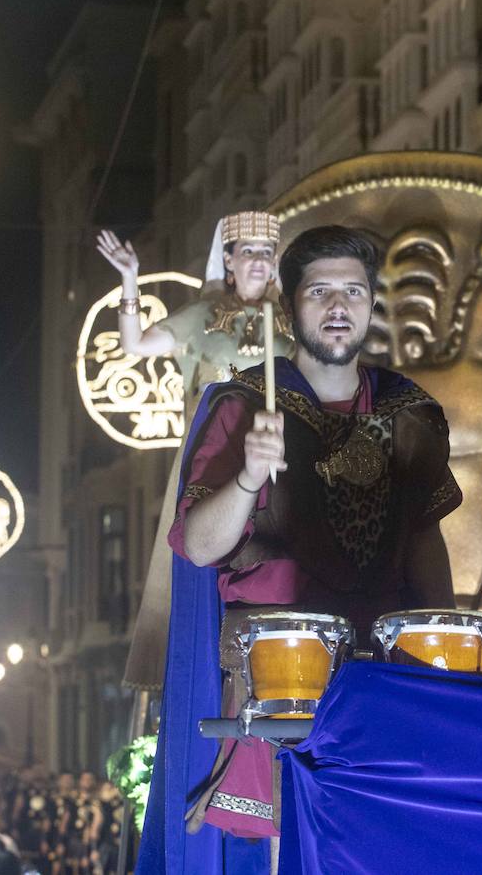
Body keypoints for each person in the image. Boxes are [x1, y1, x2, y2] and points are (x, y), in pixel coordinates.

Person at [137, 225, 461, 873]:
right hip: (276, 678)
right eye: (320, 292)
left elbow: (425, 541)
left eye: (353, 291)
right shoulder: (242, 405)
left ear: (371, 305)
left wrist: (442, 656)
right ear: (290, 308)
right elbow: (199, 546)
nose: (338, 306)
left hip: (380, 679)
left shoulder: (410, 412)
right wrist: (249, 475)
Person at [98, 213, 297, 694]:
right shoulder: (203, 316)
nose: (258, 261)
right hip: (214, 459)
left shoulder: (290, 321)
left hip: (277, 460)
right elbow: (135, 343)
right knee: (201, 562)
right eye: (247, 251)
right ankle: (196, 673)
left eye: (266, 253)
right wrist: (129, 279)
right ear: (228, 260)